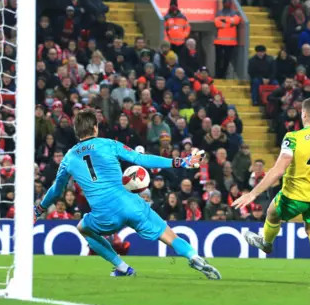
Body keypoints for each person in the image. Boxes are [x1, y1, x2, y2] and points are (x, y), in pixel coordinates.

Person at [34, 109, 221, 280]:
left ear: (76, 130)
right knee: (169, 236)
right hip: (130, 205)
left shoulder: (68, 158)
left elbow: (56, 190)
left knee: (83, 227)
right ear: (95, 127)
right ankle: (193, 256)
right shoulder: (109, 144)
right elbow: (141, 159)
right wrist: (180, 162)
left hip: (103, 215)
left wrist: (39, 209)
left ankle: (122, 267)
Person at [233, 97, 310, 281]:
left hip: (293, 195)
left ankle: (266, 243)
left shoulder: (293, 137)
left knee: (272, 213)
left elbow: (278, 170)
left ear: (304, 114)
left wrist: (253, 193)